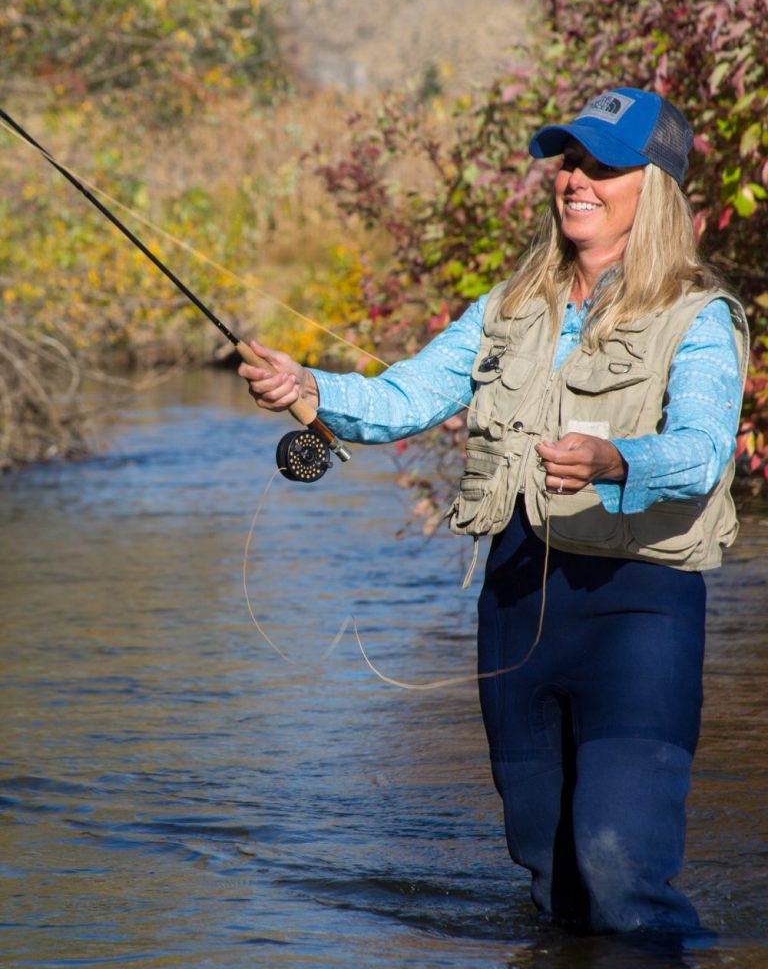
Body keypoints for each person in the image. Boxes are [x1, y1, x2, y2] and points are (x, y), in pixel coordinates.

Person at [238, 87, 748, 937]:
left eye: (602, 164)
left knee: (624, 877)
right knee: (554, 887)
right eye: (567, 160)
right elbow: (406, 396)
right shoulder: (507, 307)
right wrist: (310, 387)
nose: (575, 178)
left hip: (640, 611)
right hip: (516, 609)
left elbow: (702, 449)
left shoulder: (699, 317)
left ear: (652, 186)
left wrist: (618, 459)